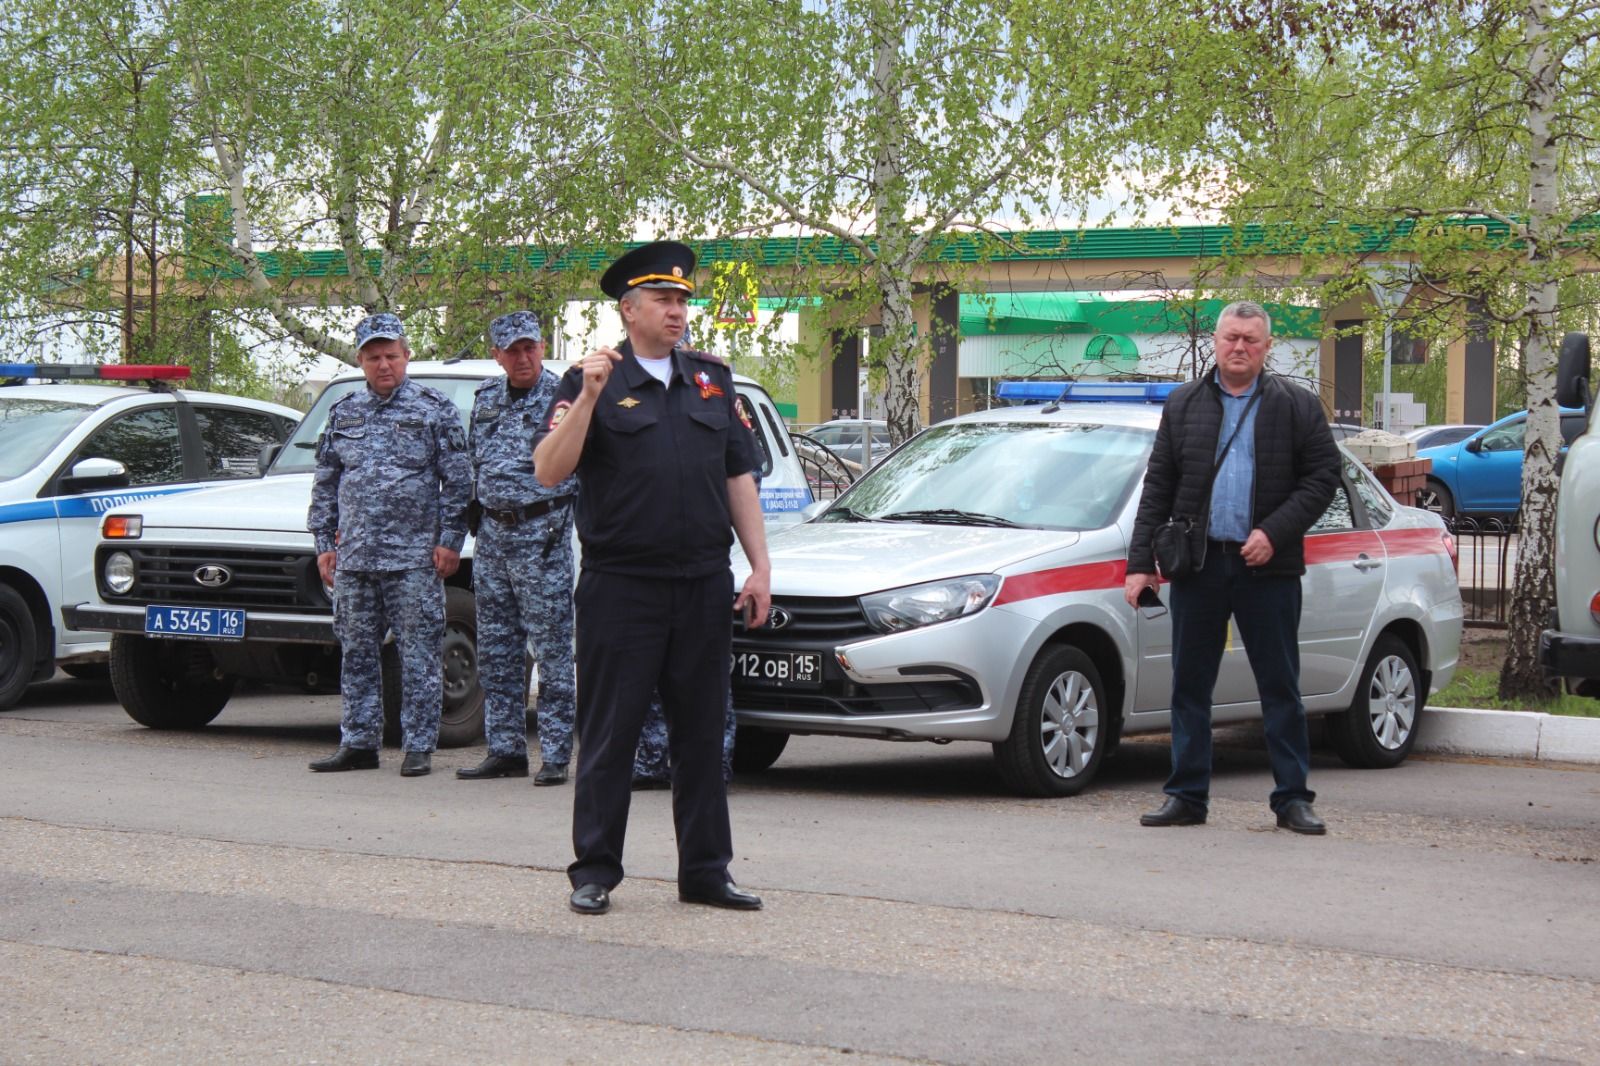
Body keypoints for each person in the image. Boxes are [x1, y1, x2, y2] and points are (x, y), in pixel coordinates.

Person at [533, 239, 771, 915]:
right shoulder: (590, 379)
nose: (677, 311)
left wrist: (759, 566)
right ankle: (595, 870)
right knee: (611, 731)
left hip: (700, 581)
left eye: (682, 300)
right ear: (628, 309)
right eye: (664, 300)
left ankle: (705, 871)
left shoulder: (711, 381)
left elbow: (738, 476)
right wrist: (588, 400)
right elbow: (549, 470)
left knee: (702, 734)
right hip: (622, 585)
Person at [1124, 301, 1339, 834]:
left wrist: (1274, 532)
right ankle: (1186, 795)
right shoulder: (1183, 405)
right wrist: (1140, 564)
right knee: (1189, 685)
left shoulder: (1298, 406)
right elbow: (1158, 488)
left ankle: (1292, 799)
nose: (1239, 347)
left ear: (1267, 348)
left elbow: (1321, 478)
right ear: (1214, 343)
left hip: (1268, 568)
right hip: (1200, 567)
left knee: (1279, 686)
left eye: (1250, 340)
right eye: (1230, 338)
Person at [308, 313, 471, 777]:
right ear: (361, 360)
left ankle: (419, 744)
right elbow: (326, 483)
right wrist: (324, 543)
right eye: (374, 357)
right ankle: (359, 742)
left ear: (406, 356)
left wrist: (450, 542)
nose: (384, 365)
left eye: (392, 356)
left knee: (418, 653)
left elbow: (458, 482)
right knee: (356, 651)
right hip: (356, 558)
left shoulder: (434, 408)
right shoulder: (344, 412)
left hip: (413, 560)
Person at [458, 310, 578, 786]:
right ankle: (505, 748)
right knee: (496, 649)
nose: (522, 356)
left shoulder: (563, 398)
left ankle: (554, 753)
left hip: (542, 536)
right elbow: (473, 462)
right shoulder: (486, 398)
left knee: (551, 650)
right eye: (512, 350)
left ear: (542, 347)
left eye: (529, 347)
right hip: (492, 538)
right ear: (497, 355)